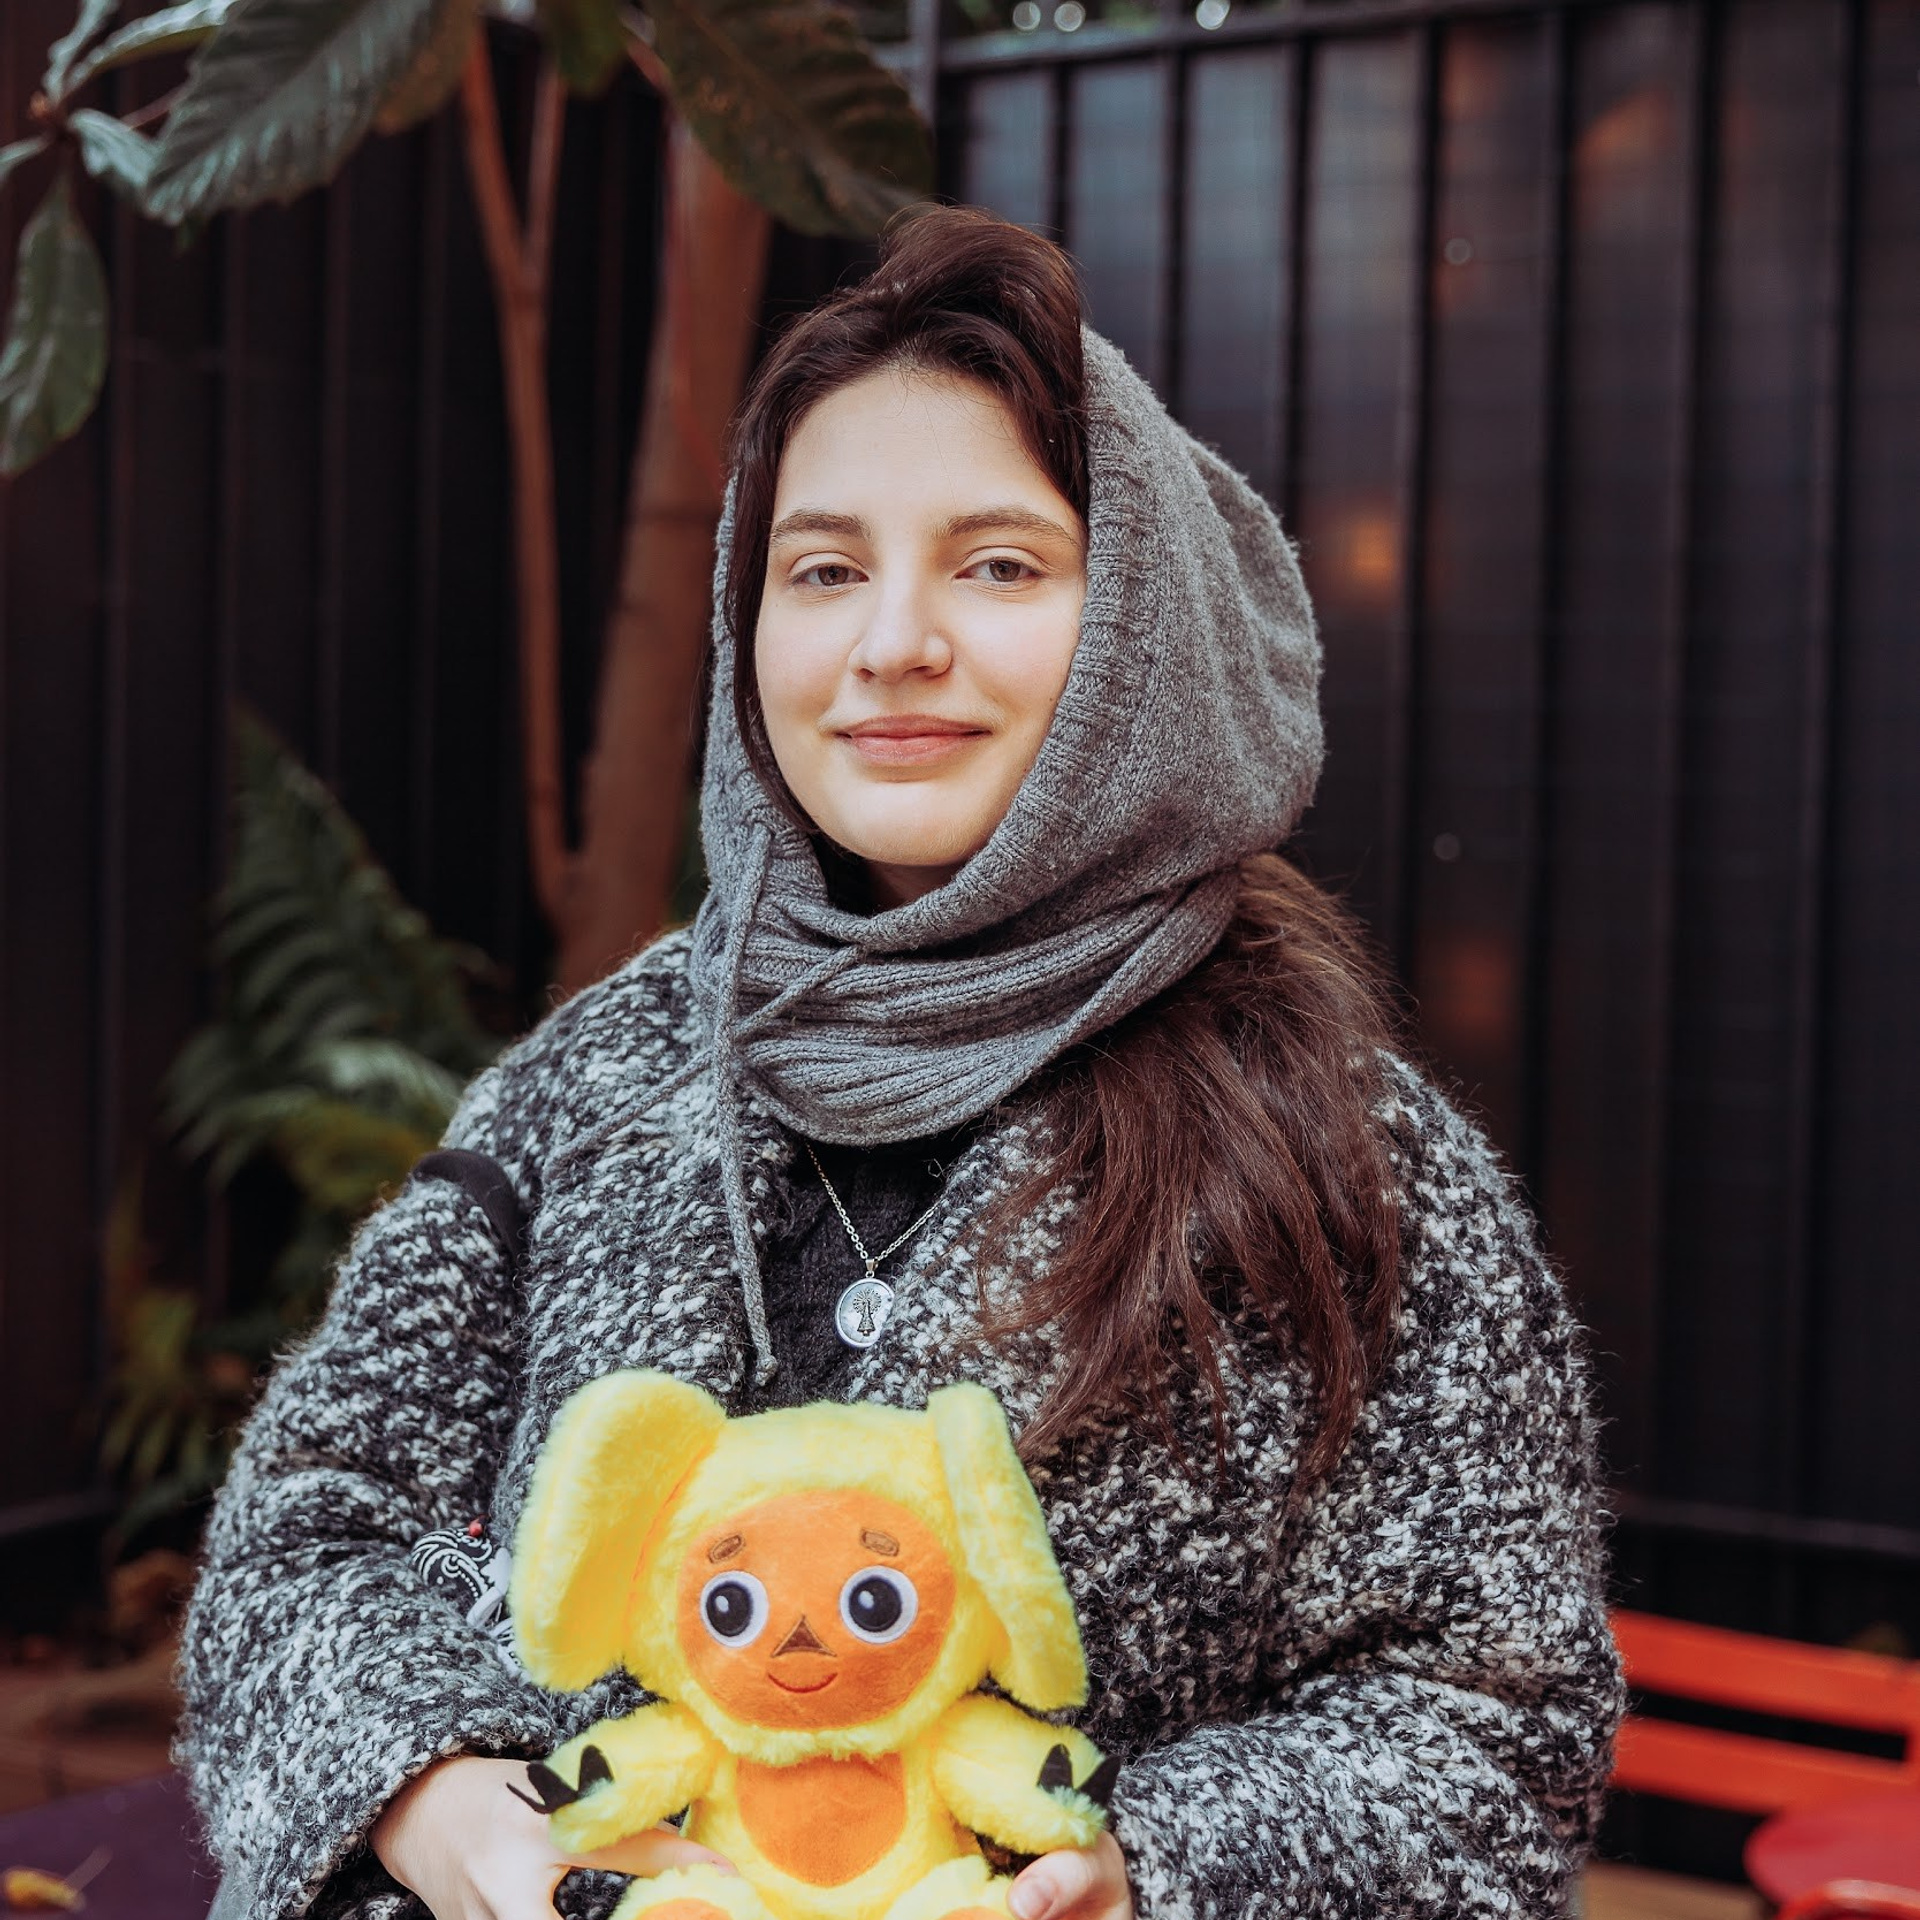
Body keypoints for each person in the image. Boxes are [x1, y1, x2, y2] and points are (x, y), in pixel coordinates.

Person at [176, 205, 1624, 1920]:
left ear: (1142, 626)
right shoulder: (599, 1079)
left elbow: (1494, 1724)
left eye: (997, 565)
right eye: (825, 570)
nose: (892, 646)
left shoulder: (1343, 1150)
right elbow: (310, 1521)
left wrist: (1144, 1867)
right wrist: (448, 1805)